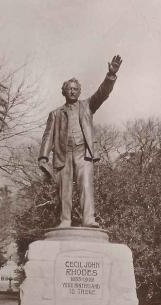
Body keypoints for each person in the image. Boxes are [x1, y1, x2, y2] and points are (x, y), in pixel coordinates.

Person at [38, 55, 122, 228]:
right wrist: (43, 156)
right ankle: (65, 220)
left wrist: (110, 75)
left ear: (79, 91)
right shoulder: (55, 114)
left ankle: (89, 219)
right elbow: (48, 135)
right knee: (64, 189)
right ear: (64, 91)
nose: (73, 91)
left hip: (83, 152)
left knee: (86, 186)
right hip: (63, 153)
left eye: (76, 88)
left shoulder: (87, 106)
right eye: (69, 88)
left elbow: (103, 93)